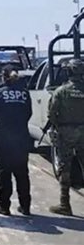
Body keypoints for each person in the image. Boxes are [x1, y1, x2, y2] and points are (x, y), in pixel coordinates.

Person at [0, 65, 32, 216]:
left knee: (4, 173)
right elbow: (28, 113)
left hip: (3, 138)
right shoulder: (25, 93)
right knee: (22, 172)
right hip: (21, 137)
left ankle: (4, 206)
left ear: (3, 77)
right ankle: (25, 206)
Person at [47, 58, 84, 216]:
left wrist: (58, 126)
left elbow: (52, 114)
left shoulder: (61, 91)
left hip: (66, 132)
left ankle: (65, 204)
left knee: (65, 168)